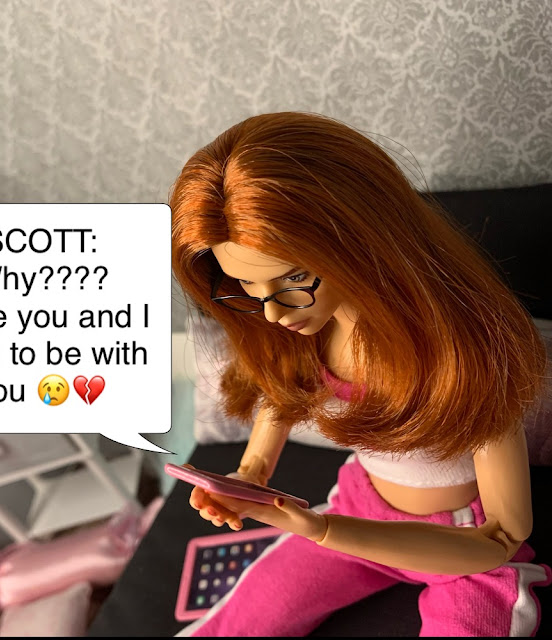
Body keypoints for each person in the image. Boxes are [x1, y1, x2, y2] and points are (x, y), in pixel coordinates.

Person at [170, 112, 551, 637]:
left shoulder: (467, 354)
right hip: (359, 505)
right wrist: (251, 474)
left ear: (360, 238)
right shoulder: (306, 335)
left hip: (461, 544)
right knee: (244, 617)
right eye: (250, 287)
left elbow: (502, 537)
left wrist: (324, 530)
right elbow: (283, 400)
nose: (273, 312)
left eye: (293, 279)